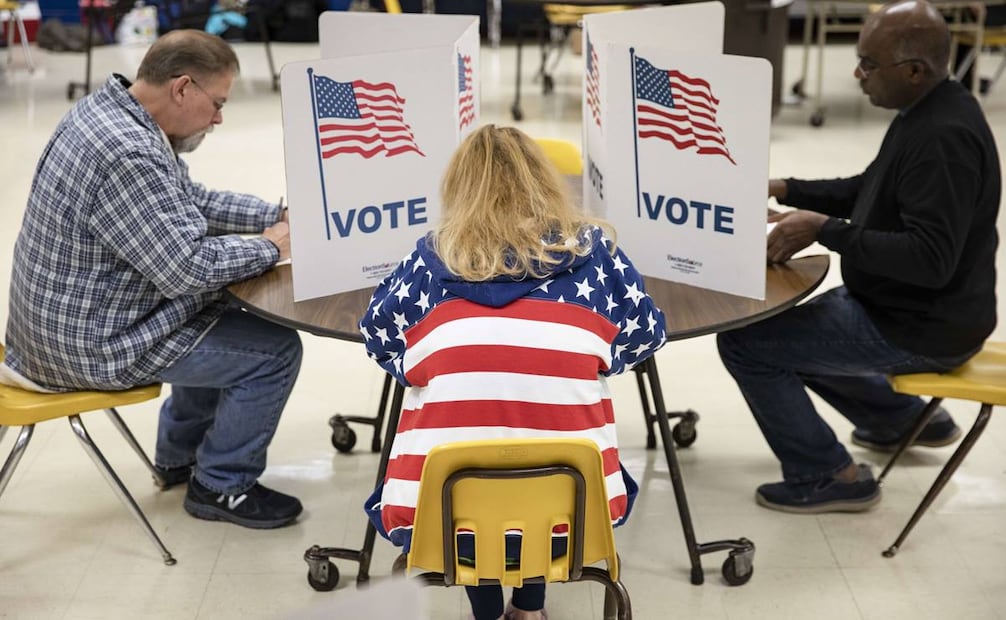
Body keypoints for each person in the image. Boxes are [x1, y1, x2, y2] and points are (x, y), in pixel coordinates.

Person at [359, 125, 666, 620]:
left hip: (443, 508)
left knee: (467, 455)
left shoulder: (427, 259)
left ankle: (487, 613)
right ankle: (528, 609)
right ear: (545, 181)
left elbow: (381, 340)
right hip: (578, 506)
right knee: (544, 451)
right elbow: (645, 333)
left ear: (457, 187)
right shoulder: (596, 255)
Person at [0, 30, 304, 530]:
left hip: (53, 330)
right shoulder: (128, 153)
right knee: (274, 352)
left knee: (221, 312)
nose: (220, 119)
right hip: (86, 347)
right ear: (182, 88)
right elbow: (185, 269)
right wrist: (273, 246)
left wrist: (277, 213)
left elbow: (191, 202)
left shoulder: (111, 113)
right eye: (217, 103)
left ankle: (178, 457)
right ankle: (221, 485)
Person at [717, 0, 1000, 514]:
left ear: (914, 71)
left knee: (746, 343)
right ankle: (902, 419)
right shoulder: (931, 107)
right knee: (786, 327)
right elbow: (872, 188)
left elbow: (930, 257)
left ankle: (828, 474)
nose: (857, 74)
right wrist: (787, 188)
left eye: (869, 64)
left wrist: (827, 231)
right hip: (908, 306)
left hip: (924, 327)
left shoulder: (942, 140)